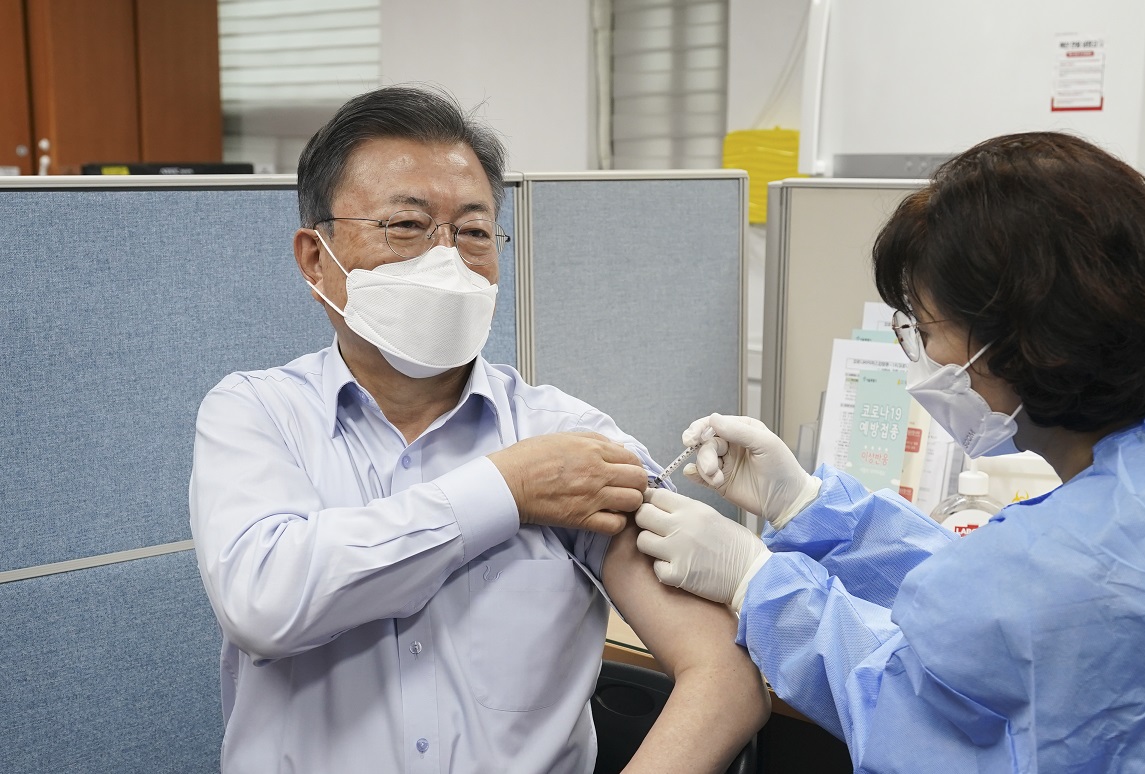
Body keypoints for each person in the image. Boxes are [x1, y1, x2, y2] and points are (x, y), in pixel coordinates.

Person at [189, 84, 769, 774]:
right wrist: (506, 489)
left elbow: (725, 674)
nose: (446, 260)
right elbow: (265, 601)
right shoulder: (256, 415)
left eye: (471, 231)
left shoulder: (570, 441)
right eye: (406, 227)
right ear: (317, 258)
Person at [634, 131, 1145, 772]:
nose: (927, 358)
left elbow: (907, 710)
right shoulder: (1125, 491)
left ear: (1029, 339)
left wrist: (755, 581)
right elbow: (982, 611)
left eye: (928, 329)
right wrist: (805, 507)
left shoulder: (1086, 559)